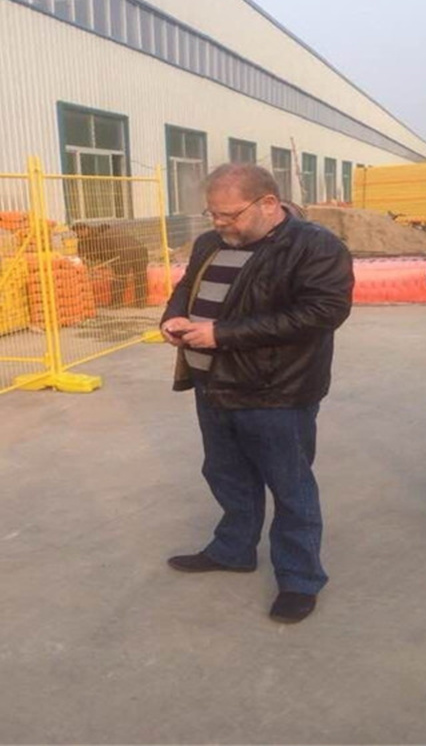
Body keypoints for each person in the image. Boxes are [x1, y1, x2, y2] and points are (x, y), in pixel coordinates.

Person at [160, 163, 353, 623]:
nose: (220, 224)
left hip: (277, 392)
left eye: (230, 214)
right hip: (213, 383)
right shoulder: (212, 242)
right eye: (213, 214)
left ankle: (300, 579)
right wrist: (172, 317)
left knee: (291, 487)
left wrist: (223, 334)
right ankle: (233, 549)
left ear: (269, 203)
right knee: (225, 474)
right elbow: (186, 287)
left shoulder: (314, 246)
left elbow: (322, 313)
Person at [73, 222, 149, 307]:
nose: (78, 235)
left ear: (85, 229)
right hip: (140, 250)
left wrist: (95, 263)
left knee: (119, 278)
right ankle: (141, 303)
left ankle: (116, 303)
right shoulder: (102, 233)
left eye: (78, 232)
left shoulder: (99, 237)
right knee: (140, 277)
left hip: (123, 254)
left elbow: (102, 254)